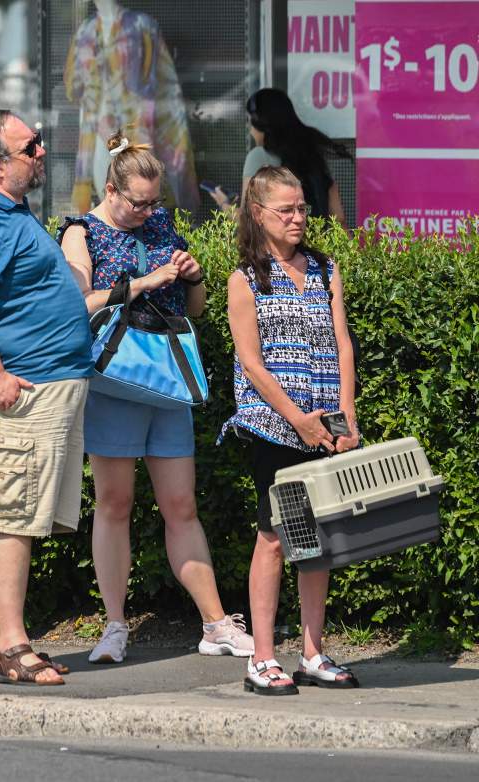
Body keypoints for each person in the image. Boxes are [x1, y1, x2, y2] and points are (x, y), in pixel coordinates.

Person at [58, 130, 253, 665]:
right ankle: (115, 626)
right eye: (137, 202)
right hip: (115, 381)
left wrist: (192, 278)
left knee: (181, 505)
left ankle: (215, 624)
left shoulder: (164, 224)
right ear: (110, 189)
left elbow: (195, 310)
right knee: (115, 504)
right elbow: (78, 305)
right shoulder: (81, 231)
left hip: (165, 377)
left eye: (154, 202)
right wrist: (144, 281)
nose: (147, 212)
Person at [0, 109, 93, 686]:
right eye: (30, 146)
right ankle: (11, 647)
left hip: (36, 388)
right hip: (15, 394)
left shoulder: (8, 211)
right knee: (11, 521)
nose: (42, 151)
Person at [221, 165, 360, 695]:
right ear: (259, 214)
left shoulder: (325, 268)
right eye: (287, 209)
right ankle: (261, 657)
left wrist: (342, 416)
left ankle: (313, 652)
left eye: (302, 207)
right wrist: (297, 419)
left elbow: (342, 342)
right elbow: (252, 363)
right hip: (273, 428)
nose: (299, 217)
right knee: (275, 537)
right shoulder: (245, 278)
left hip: (326, 426)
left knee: (319, 540)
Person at [212, 88, 350, 223]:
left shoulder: (259, 156)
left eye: (250, 122)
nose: (250, 130)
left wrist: (223, 202)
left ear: (260, 123)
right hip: (318, 243)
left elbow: (247, 219)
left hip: (282, 246)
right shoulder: (312, 154)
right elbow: (339, 219)